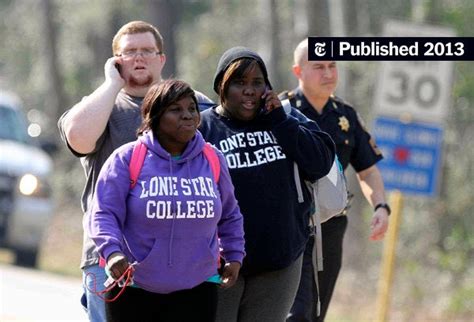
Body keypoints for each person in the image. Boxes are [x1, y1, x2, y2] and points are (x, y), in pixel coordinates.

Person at [57, 21, 213, 322]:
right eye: (129, 52)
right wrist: (112, 84)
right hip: (111, 258)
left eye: (146, 50)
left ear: (162, 59)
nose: (138, 58)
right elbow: (77, 138)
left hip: (183, 264)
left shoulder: (197, 107)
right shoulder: (101, 107)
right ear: (115, 61)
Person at [87, 79, 245, 322]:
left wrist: (234, 255)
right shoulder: (127, 159)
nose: (188, 116)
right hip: (134, 287)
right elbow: (103, 213)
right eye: (176, 109)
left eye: (192, 108)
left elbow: (230, 214)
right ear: (155, 116)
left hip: (198, 288)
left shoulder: (212, 159)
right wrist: (112, 252)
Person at [199, 46, 336, 322]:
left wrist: (280, 122)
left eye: (257, 83)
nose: (249, 90)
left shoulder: (284, 118)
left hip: (279, 264)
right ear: (221, 87)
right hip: (217, 264)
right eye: (239, 82)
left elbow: (321, 162)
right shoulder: (203, 128)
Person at [281, 39, 390, 322]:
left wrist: (381, 206)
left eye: (332, 65)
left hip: (332, 224)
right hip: (292, 225)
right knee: (297, 312)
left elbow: (367, 171)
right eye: (319, 66)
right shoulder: (282, 112)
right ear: (298, 71)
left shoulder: (346, 115)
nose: (328, 73)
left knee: (319, 309)